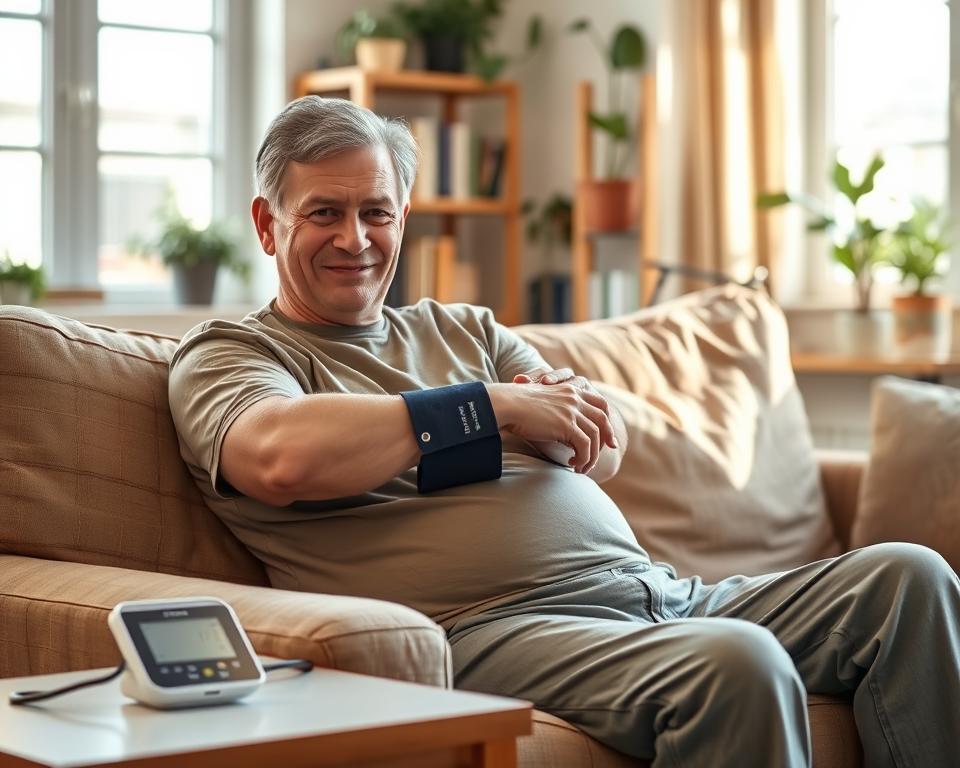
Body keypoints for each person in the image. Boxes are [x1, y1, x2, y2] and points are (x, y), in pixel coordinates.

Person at [169, 96, 960, 767]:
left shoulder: (463, 327)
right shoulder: (234, 354)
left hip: (657, 592)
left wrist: (559, 412)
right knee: (736, 663)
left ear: (402, 217)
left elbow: (600, 445)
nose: (355, 238)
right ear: (267, 226)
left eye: (376, 211)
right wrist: (495, 407)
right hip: (488, 627)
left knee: (910, 581)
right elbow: (277, 456)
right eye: (324, 214)